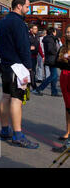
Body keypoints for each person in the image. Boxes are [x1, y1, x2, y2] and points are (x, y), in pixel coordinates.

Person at [0, 0, 39, 149]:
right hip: (17, 67)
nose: (28, 10)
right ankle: (18, 135)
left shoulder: (3, 21)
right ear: (19, 6)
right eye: (27, 6)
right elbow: (23, 47)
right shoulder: (19, 23)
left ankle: (4, 129)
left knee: (5, 97)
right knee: (17, 99)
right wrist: (29, 67)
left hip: (6, 65)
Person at [52, 25, 70, 153]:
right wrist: (64, 59)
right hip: (64, 76)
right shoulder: (63, 46)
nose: (68, 34)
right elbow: (56, 63)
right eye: (67, 32)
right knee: (67, 106)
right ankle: (68, 131)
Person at [35, 27, 62, 97]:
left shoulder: (50, 38)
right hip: (51, 59)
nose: (56, 32)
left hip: (51, 59)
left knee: (55, 76)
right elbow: (50, 49)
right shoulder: (50, 39)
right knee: (54, 76)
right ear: (53, 32)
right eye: (55, 31)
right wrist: (56, 53)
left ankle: (54, 91)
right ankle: (39, 88)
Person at [29, 25, 44, 95]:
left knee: (32, 72)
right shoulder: (27, 36)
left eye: (37, 29)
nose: (36, 30)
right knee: (32, 73)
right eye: (35, 29)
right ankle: (34, 88)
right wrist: (29, 47)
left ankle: (28, 87)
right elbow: (22, 45)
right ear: (31, 29)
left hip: (34, 57)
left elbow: (39, 47)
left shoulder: (36, 37)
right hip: (29, 57)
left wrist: (42, 56)